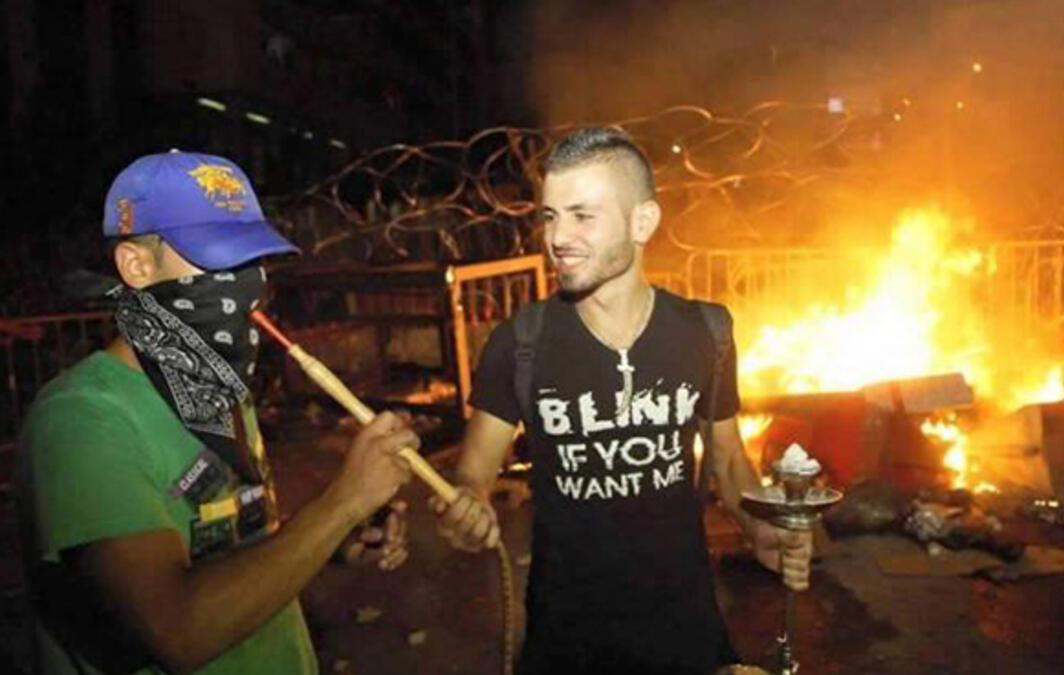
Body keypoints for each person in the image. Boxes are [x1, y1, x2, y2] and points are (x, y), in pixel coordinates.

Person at [15, 151, 417, 675]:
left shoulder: (217, 387)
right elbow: (179, 629)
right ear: (136, 266)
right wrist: (343, 502)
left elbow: (231, 547)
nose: (246, 284)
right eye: (220, 258)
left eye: (252, 260)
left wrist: (330, 541)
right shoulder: (81, 422)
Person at [432, 128, 812, 674]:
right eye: (549, 216)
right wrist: (464, 509)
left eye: (582, 215)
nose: (558, 237)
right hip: (567, 639)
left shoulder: (706, 331)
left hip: (685, 628)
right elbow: (472, 474)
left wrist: (759, 531)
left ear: (642, 222)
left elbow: (728, 460)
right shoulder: (520, 342)